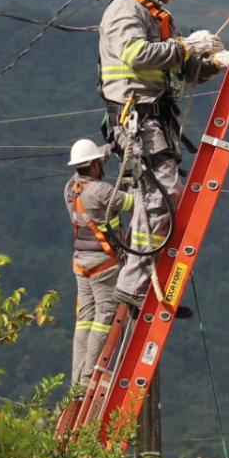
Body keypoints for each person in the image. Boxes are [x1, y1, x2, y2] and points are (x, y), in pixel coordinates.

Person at [97, 0, 229, 308]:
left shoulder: (157, 16)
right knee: (163, 195)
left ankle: (140, 283)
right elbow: (136, 54)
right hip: (136, 119)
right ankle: (136, 284)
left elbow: (179, 68)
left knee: (157, 198)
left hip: (154, 120)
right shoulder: (127, 10)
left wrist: (211, 63)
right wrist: (186, 45)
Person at [64, 137, 129, 389]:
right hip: (104, 264)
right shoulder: (102, 191)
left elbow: (93, 160)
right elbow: (132, 201)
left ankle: (77, 380)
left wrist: (109, 148)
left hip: (81, 263)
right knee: (103, 317)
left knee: (84, 321)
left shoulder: (70, 187)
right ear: (93, 166)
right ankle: (90, 374)